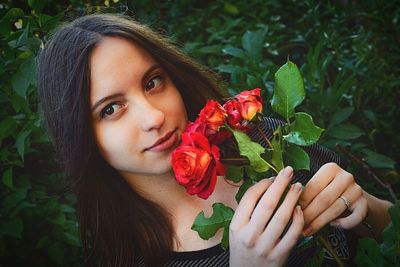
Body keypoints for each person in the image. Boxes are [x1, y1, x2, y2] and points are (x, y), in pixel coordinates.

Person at [37, 13, 393, 267]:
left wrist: (365, 210)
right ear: (82, 138)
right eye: (111, 109)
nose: (154, 117)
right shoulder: (136, 258)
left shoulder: (261, 138)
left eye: (153, 82)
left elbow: (389, 228)